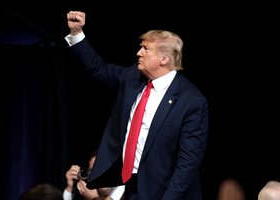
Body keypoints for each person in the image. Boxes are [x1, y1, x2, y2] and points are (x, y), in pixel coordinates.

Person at [65, 11, 209, 200]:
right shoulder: (133, 77)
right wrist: (77, 34)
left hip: (164, 192)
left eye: (146, 49)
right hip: (128, 187)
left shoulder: (191, 101)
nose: (138, 52)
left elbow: (188, 164)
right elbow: (98, 69)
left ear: (164, 59)